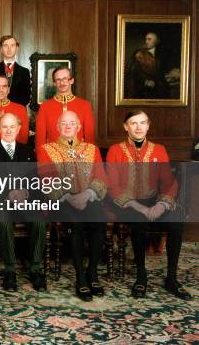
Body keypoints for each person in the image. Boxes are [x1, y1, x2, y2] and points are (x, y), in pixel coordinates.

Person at [106, 110, 191, 300]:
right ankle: (141, 277)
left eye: (142, 123)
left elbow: (168, 182)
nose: (138, 127)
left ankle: (172, 278)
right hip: (127, 205)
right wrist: (141, 208)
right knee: (138, 223)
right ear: (125, 127)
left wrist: (161, 205)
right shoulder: (115, 150)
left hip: (154, 202)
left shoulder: (159, 149)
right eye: (133, 123)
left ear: (148, 125)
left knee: (176, 223)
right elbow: (113, 186)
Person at [36, 110, 107, 301]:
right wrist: (68, 196)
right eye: (63, 124)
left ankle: (92, 272)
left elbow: (101, 177)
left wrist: (87, 194)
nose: (68, 126)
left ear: (79, 127)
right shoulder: (46, 149)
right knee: (75, 224)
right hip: (61, 200)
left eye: (72, 123)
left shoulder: (92, 149)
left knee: (100, 221)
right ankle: (80, 277)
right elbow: (46, 177)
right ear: (58, 127)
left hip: (88, 197)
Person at [0, 113, 46, 292]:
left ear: (18, 129)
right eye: (5, 127)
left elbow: (35, 181)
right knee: (3, 222)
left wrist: (24, 192)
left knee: (39, 221)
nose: (8, 130)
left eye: (12, 127)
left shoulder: (27, 151)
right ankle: (9, 270)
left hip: (25, 202)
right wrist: (7, 194)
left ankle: (35, 268)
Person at [35, 66, 95, 149]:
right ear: (54, 83)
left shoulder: (85, 105)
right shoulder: (45, 107)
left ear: (72, 80)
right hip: (52, 157)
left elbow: (90, 139)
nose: (62, 83)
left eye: (65, 79)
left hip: (79, 157)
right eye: (58, 80)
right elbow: (40, 140)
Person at [0, 35, 31, 106]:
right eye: (6, 45)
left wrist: (12, 108)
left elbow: (27, 96)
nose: (9, 49)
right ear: (1, 49)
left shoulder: (24, 72)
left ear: (17, 48)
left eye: (12, 45)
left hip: (17, 112)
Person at [126, 32, 169, 99]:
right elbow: (132, 72)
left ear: (156, 41)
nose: (146, 42)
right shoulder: (139, 54)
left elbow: (163, 71)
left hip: (159, 87)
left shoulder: (162, 54)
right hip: (142, 88)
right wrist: (144, 81)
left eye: (149, 39)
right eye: (146, 39)